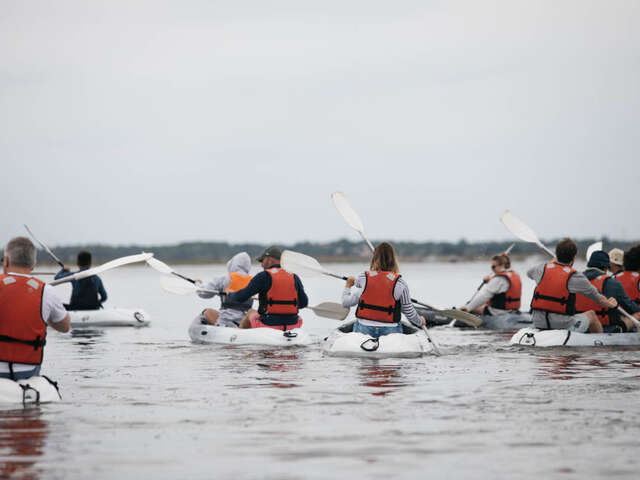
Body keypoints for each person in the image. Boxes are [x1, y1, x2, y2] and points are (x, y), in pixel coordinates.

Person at [0, 237, 70, 380]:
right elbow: (65, 326)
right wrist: (44, 316)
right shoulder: (47, 291)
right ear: (33, 264)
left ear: (6, 261)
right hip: (28, 371)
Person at [528, 238, 617, 333]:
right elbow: (598, 298)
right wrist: (610, 304)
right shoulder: (575, 276)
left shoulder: (541, 268)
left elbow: (529, 273)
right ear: (574, 258)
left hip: (538, 321)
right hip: (561, 324)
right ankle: (600, 341)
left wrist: (552, 262)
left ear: (557, 254)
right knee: (591, 315)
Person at [342, 242, 425, 338]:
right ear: (393, 260)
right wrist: (420, 321)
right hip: (390, 330)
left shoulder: (363, 278)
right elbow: (409, 312)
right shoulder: (400, 283)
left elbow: (346, 302)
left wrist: (348, 285)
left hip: (364, 329)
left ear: (374, 258)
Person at [228, 247, 308, 330]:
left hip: (268, 325)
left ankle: (240, 335)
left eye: (262, 261)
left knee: (250, 312)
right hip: (293, 325)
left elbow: (240, 297)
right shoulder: (294, 276)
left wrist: (230, 295)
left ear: (269, 260)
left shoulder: (263, 276)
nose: (261, 265)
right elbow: (304, 303)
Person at [575, 250, 640, 332]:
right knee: (637, 315)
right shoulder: (612, 282)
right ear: (606, 267)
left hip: (581, 326)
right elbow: (630, 307)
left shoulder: (575, 279)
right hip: (607, 329)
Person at [196, 252, 254, 327]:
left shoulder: (224, 279)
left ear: (233, 264)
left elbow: (204, 294)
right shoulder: (253, 281)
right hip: (244, 322)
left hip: (225, 320)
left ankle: (227, 324)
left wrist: (197, 284)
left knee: (207, 312)